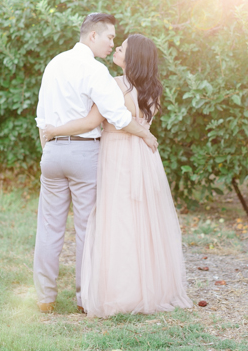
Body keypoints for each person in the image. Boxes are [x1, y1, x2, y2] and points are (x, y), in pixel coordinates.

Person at [43, 33, 192, 317]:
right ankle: (145, 287)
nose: (116, 49)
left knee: (116, 220)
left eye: (122, 48)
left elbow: (90, 121)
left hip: (116, 154)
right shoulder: (152, 91)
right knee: (142, 222)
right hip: (144, 157)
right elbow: (140, 124)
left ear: (131, 58)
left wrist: (54, 130)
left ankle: (119, 291)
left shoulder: (112, 86)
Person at [33, 14, 158, 314]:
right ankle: (82, 298)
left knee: (48, 228)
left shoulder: (54, 64)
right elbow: (116, 116)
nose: (113, 43)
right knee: (87, 230)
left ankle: (45, 298)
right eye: (110, 37)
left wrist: (46, 149)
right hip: (85, 153)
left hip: (51, 152)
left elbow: (41, 116)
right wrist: (145, 134)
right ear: (92, 36)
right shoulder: (95, 70)